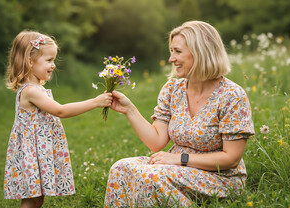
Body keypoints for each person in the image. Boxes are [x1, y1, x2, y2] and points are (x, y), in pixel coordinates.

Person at [104, 21, 255, 207]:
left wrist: (179, 159)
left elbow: (231, 159)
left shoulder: (232, 95)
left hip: (218, 177)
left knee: (151, 176)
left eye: (177, 51)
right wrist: (129, 109)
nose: (171, 59)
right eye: (171, 51)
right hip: (175, 167)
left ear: (200, 52)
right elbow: (156, 142)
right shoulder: (172, 89)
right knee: (121, 168)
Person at [3, 30, 112, 208]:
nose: (53, 65)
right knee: (32, 199)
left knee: (38, 198)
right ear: (30, 61)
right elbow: (60, 111)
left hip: (39, 150)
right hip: (32, 152)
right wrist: (95, 102)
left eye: (54, 60)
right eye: (49, 60)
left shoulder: (36, 88)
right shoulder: (30, 91)